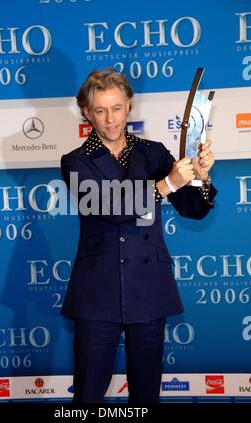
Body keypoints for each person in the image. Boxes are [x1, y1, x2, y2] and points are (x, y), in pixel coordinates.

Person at [60, 69, 217, 403]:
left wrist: (200, 178)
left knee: (146, 397)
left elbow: (192, 208)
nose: (110, 119)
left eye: (116, 108)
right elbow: (108, 207)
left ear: (129, 106)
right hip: (97, 293)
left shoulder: (154, 153)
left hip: (148, 288)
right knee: (87, 395)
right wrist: (166, 185)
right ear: (87, 112)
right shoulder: (75, 162)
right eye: (100, 110)